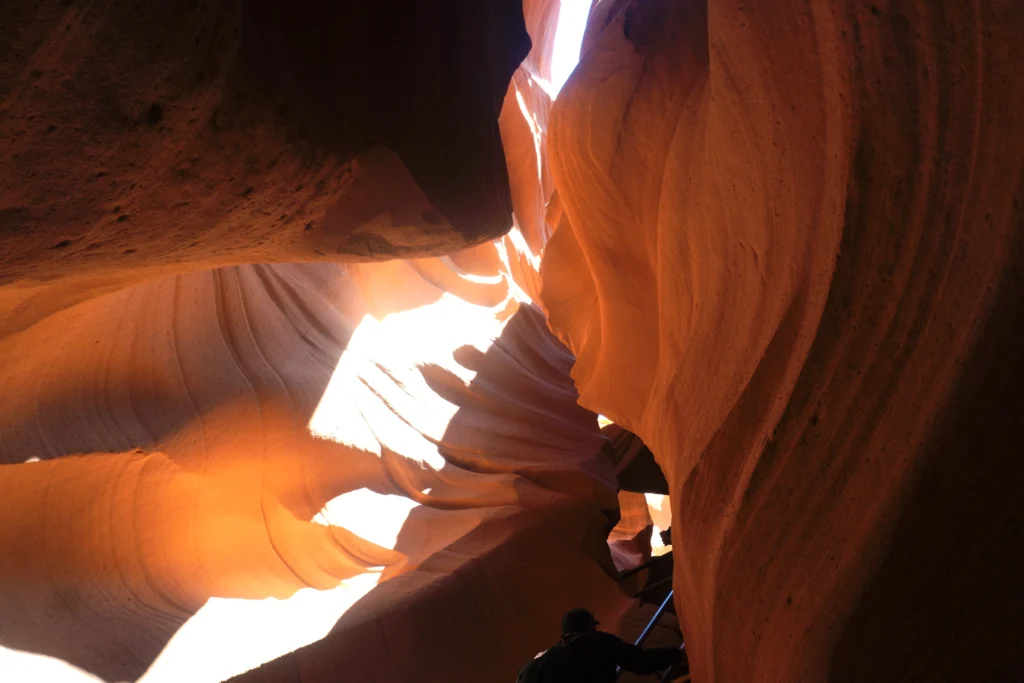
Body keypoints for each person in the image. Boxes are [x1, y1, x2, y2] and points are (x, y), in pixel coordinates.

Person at [517, 608, 687, 683]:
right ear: (589, 626)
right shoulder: (597, 642)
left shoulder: (540, 659)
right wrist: (678, 655)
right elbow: (640, 662)